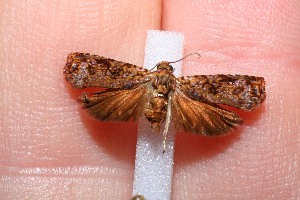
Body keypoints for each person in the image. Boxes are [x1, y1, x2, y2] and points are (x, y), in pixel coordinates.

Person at [1, 1, 299, 199]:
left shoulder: (141, 75)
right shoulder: (185, 83)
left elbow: (84, 69)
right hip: (183, 99)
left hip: (137, 91)